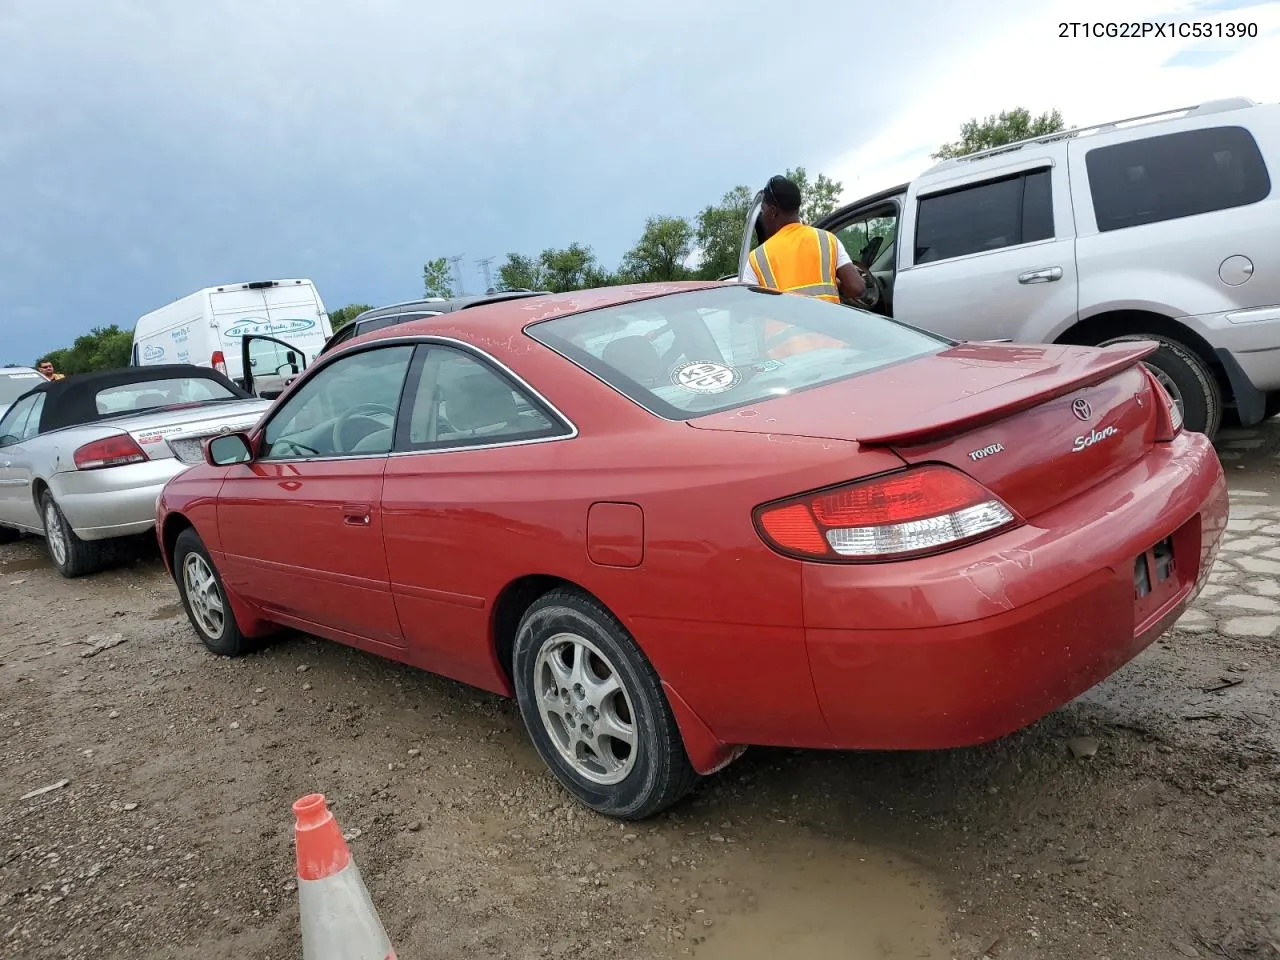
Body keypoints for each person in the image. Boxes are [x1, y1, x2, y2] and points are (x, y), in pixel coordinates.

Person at [738, 175, 866, 304]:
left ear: (773, 212)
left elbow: (745, 306)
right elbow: (856, 287)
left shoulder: (757, 257)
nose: (762, 215)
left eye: (763, 210)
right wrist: (834, 284)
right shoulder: (827, 240)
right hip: (829, 324)